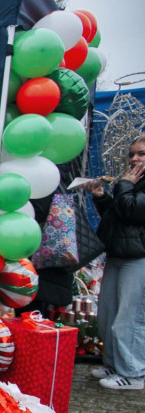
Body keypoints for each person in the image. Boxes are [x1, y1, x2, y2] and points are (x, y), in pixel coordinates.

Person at [87, 136, 145, 390]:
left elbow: (133, 210)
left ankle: (133, 373)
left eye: (141, 154)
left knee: (130, 318)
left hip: (139, 258)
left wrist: (123, 184)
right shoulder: (134, 182)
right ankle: (114, 364)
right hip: (119, 253)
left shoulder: (130, 183)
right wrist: (101, 196)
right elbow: (117, 216)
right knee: (108, 314)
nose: (134, 159)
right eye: (132, 154)